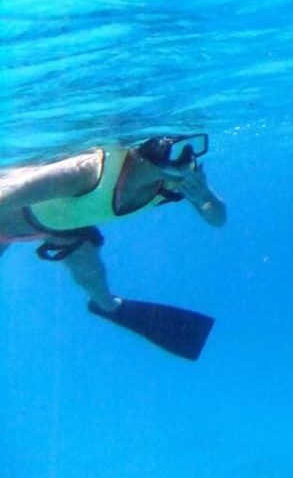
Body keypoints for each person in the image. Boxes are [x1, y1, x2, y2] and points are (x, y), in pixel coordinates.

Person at [0, 134, 226, 359]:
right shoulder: (87, 172)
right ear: (150, 151)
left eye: (193, 148)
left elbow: (217, 219)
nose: (187, 160)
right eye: (176, 150)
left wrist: (205, 195)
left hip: (66, 223)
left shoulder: (176, 181)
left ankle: (109, 306)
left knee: (90, 271)